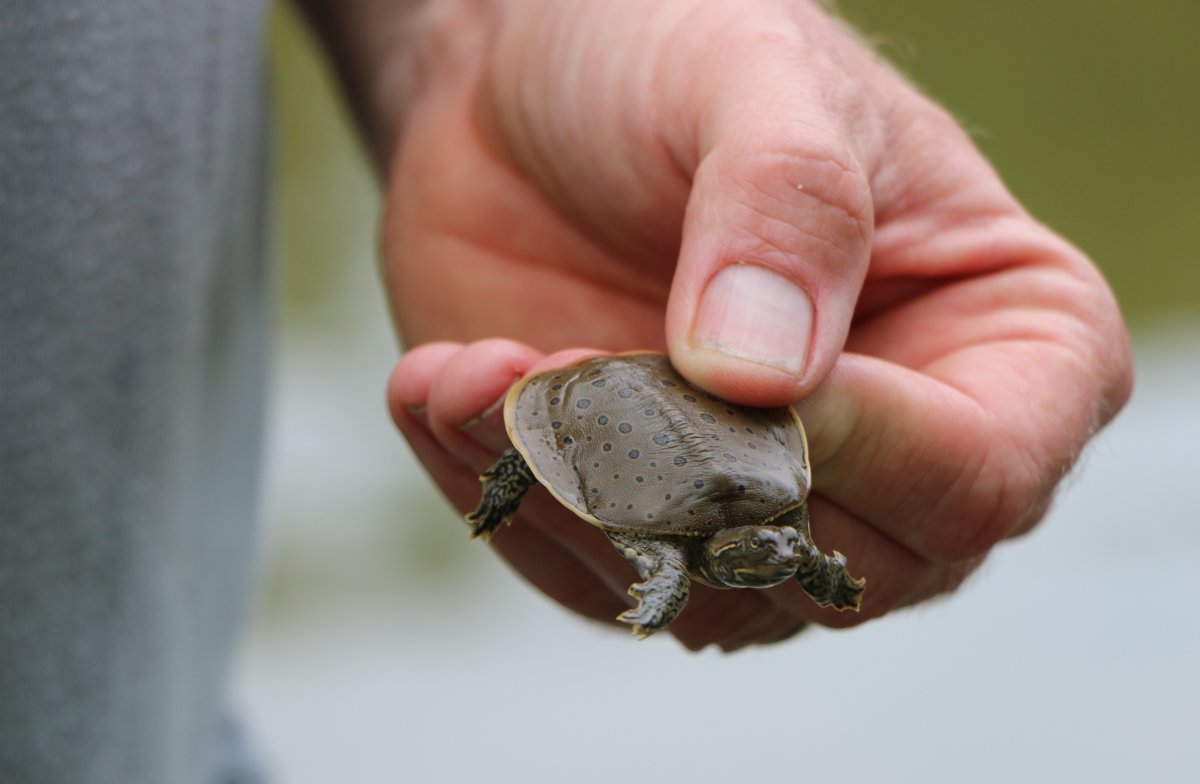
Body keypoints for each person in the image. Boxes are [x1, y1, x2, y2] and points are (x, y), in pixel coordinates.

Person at [0, 1, 1131, 782]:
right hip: (612, 442)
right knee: (501, 430)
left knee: (515, 413)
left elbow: (771, 549)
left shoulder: (773, 508)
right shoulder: (676, 544)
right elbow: (671, 561)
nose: (758, 558)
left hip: (152, 732)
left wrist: (476, 32)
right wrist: (662, 584)